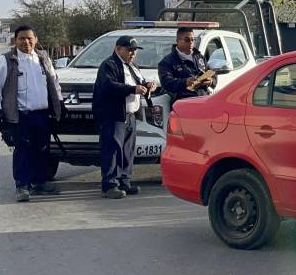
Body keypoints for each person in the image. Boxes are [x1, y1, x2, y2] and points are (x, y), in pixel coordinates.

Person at [0, 24, 63, 202]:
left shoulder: (43, 59)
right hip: (20, 115)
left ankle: (40, 183)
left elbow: (54, 81)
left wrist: (59, 102)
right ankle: (22, 186)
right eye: (22, 38)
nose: (26, 42)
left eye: (30, 38)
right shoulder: (6, 60)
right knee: (23, 151)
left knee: (43, 149)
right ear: (15, 41)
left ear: (36, 40)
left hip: (42, 114)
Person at [92, 35, 156, 199]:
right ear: (118, 49)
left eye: (134, 50)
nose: (132, 53)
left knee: (127, 150)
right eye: (129, 50)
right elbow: (109, 86)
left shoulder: (132, 66)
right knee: (112, 149)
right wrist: (132, 89)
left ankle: (124, 181)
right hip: (113, 115)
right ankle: (110, 185)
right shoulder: (109, 65)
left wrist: (147, 86)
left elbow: (139, 82)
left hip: (130, 115)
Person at [157, 26, 216, 101]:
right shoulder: (167, 62)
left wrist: (210, 81)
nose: (191, 43)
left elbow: (213, 75)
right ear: (178, 41)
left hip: (203, 100)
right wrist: (185, 82)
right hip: (183, 103)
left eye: (192, 40)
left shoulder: (199, 57)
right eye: (187, 40)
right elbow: (166, 83)